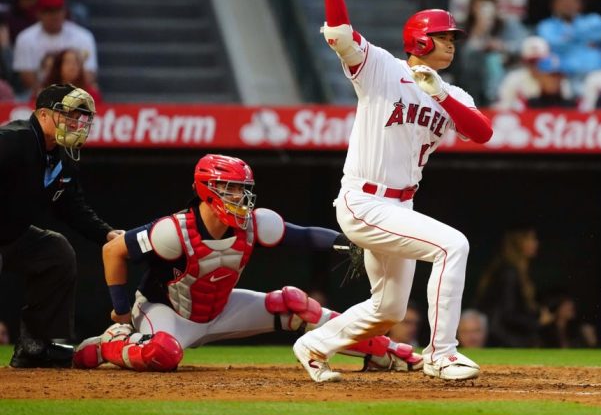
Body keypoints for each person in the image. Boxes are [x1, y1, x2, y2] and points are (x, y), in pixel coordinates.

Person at [293, 0, 493, 383]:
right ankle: (441, 354)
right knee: (452, 246)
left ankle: (313, 344)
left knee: (387, 310)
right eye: (443, 36)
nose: (451, 43)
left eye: (452, 37)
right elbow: (341, 35)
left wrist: (439, 92)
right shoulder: (383, 68)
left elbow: (482, 132)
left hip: (400, 207)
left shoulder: (453, 94)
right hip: (364, 200)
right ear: (421, 39)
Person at [72, 154, 422, 373]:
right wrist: (120, 313)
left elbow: (302, 236)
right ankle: (108, 345)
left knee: (295, 305)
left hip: (221, 309)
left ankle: (382, 350)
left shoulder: (254, 222)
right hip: (169, 313)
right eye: (230, 189)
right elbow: (113, 251)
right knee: (164, 354)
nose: (240, 198)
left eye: (242, 189)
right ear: (207, 190)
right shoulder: (173, 231)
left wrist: (349, 241)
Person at [0, 83, 122, 367]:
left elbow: (72, 208)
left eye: (81, 118)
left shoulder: (62, 159)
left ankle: (35, 346)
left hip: (11, 236)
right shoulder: (11, 141)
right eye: (69, 115)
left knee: (55, 251)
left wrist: (106, 233)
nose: (76, 123)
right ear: (43, 115)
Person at [476, 229, 553, 347]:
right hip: (504, 338)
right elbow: (508, 314)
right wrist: (537, 322)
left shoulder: (518, 271)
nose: (536, 243)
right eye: (530, 239)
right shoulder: (509, 272)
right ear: (518, 243)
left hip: (509, 335)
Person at [13, 0, 97, 93]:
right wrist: (48, 95)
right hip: (39, 93)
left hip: (76, 92)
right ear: (39, 13)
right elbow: (26, 76)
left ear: (65, 11)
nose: (54, 16)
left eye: (58, 10)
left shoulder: (83, 37)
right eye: (49, 11)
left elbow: (89, 74)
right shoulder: (25, 38)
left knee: (93, 90)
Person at [33, 48, 102, 104]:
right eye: (68, 62)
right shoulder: (44, 92)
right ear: (58, 67)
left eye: (76, 63)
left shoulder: (90, 94)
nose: (72, 67)